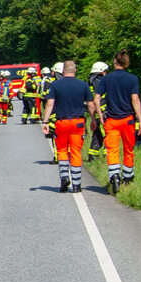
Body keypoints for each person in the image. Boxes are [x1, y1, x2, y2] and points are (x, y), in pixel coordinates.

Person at [94, 49, 141, 194]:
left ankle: (114, 177)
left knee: (112, 150)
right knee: (128, 149)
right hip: (128, 120)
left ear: (115, 62)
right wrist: (140, 120)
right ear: (126, 62)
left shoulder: (106, 79)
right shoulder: (133, 79)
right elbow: (135, 100)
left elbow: (96, 100)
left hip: (111, 120)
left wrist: (100, 116)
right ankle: (127, 178)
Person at [42, 60, 95, 193]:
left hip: (62, 122)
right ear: (75, 70)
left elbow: (50, 104)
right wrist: (93, 119)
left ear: (63, 71)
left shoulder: (55, 85)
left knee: (62, 150)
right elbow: (90, 104)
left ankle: (64, 178)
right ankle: (77, 185)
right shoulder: (83, 85)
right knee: (76, 152)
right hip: (78, 122)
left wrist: (45, 121)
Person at [86, 61, 109, 159]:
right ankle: (106, 155)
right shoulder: (100, 82)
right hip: (102, 111)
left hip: (94, 112)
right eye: (105, 71)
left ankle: (93, 155)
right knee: (106, 133)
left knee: (97, 134)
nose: (106, 73)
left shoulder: (91, 81)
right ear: (101, 72)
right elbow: (100, 99)